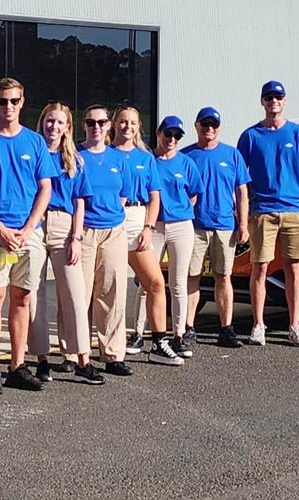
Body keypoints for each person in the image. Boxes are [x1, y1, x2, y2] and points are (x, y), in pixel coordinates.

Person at [0, 78, 55, 393]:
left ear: (22, 101)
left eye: (14, 101)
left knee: (23, 298)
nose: (8, 107)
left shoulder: (34, 142)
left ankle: (17, 365)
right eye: (3, 101)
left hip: (28, 235)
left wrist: (29, 228)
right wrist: (1, 229)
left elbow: (45, 187)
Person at [237, 80, 299, 347]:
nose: (273, 101)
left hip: (293, 209)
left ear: (284, 100)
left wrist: (291, 191)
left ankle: (295, 326)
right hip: (262, 211)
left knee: (293, 268)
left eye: (278, 97)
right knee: (260, 267)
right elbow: (241, 176)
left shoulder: (298, 134)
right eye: (269, 97)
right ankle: (259, 325)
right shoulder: (251, 136)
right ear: (262, 101)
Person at [110, 106, 175, 367]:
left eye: (133, 123)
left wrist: (148, 227)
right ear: (114, 124)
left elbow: (154, 197)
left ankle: (159, 342)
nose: (128, 127)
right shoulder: (104, 154)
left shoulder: (146, 158)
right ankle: (110, 348)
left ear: (139, 127)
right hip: (111, 220)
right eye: (123, 122)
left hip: (138, 220)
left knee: (156, 283)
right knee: (111, 290)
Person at [36, 101, 94, 383]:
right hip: (34, 223)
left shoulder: (74, 159)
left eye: (60, 122)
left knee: (74, 294)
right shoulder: (32, 151)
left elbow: (79, 201)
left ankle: (82, 359)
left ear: (68, 127)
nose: (54, 126)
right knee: (34, 294)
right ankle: (41, 359)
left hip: (63, 223)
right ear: (42, 122)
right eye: (50, 120)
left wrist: (76, 236)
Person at [182, 107, 250, 349]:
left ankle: (226, 329)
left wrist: (243, 224)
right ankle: (188, 328)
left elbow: (242, 192)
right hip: (194, 227)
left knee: (224, 276)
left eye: (213, 124)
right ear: (196, 125)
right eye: (204, 124)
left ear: (219, 127)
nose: (209, 128)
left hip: (224, 226)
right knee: (192, 277)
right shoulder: (186, 156)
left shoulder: (232, 155)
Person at [78, 105, 134, 379]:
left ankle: (112, 354)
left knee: (112, 293)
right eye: (91, 122)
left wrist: (111, 216)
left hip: (113, 230)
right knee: (80, 295)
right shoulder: (76, 156)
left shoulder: (118, 158)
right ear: (83, 125)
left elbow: (123, 194)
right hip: (85, 231)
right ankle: (74, 354)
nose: (96, 127)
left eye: (101, 122)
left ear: (109, 125)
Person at [149, 115, 202, 359]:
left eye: (177, 136)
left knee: (178, 282)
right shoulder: (150, 160)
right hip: (156, 225)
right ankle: (144, 332)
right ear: (159, 133)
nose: (172, 139)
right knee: (148, 282)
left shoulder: (187, 163)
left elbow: (193, 194)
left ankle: (178, 334)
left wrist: (179, 212)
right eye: (168, 134)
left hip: (181, 225)